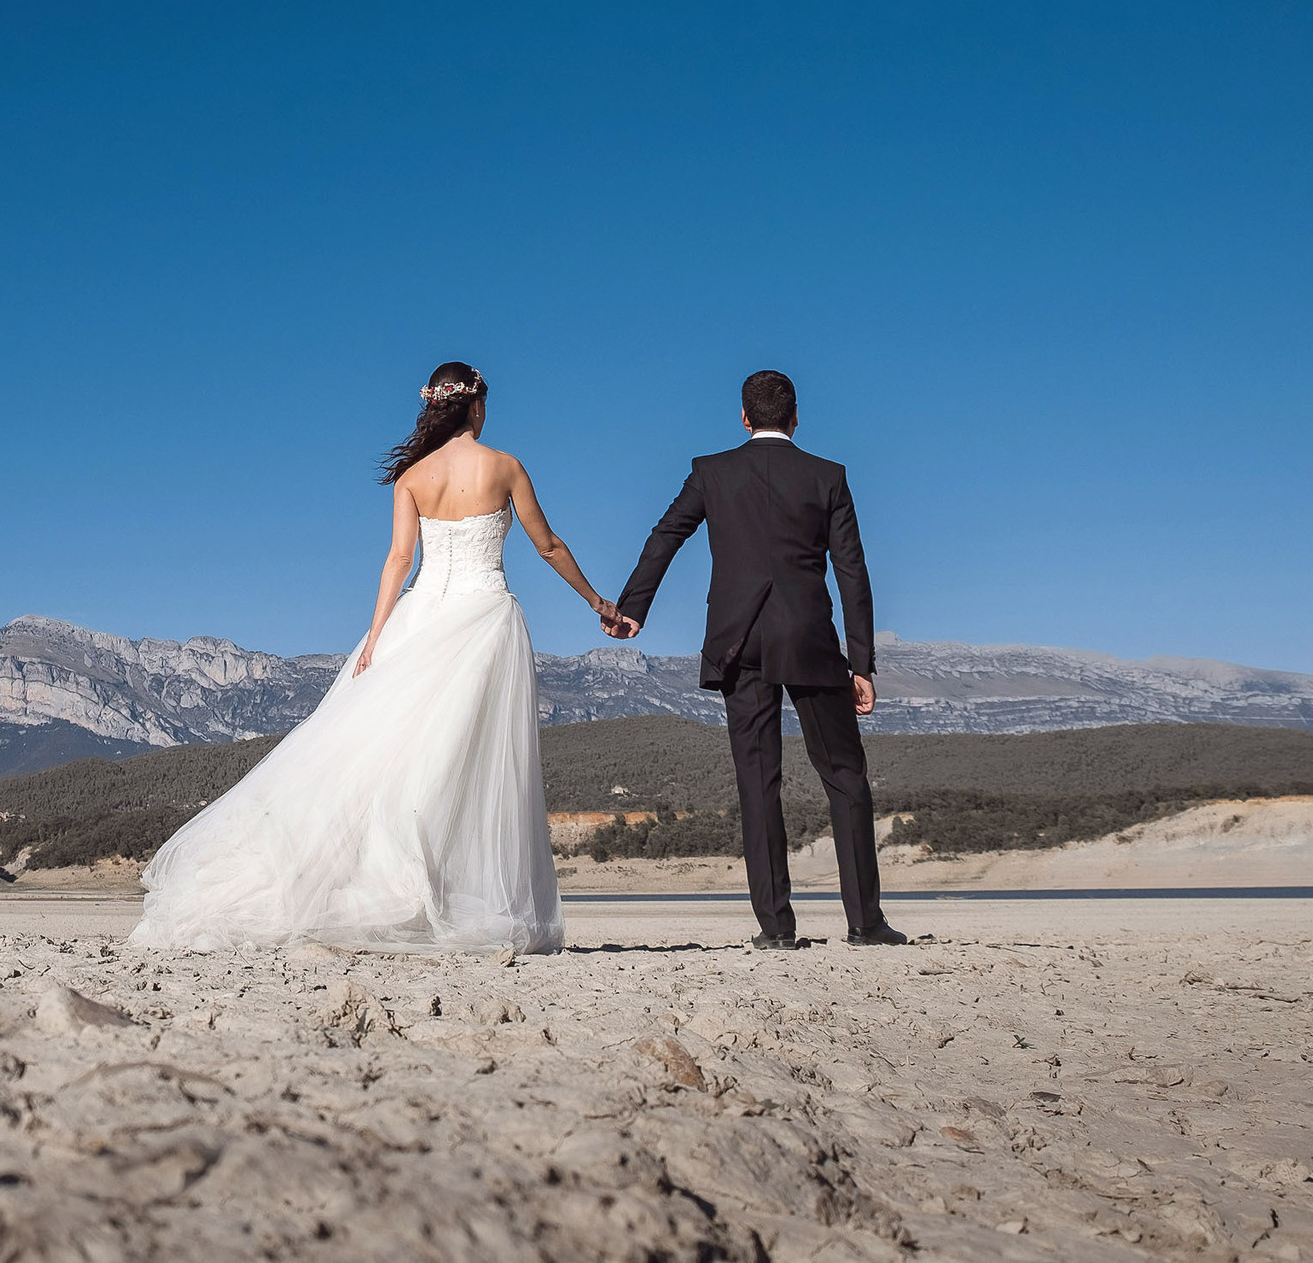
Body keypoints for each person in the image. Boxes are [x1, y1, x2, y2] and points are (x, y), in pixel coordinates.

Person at [129, 361, 628, 953]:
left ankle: (404, 889)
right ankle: (444, 897)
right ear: (475, 406)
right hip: (484, 617)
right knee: (469, 767)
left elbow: (398, 560)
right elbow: (548, 545)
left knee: (399, 758)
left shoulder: (413, 478)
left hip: (421, 617)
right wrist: (598, 601)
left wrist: (375, 637)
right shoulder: (505, 466)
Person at [610, 369, 908, 948]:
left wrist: (634, 608)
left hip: (737, 641)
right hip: (811, 642)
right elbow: (852, 573)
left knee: (758, 780)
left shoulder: (712, 472)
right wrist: (861, 662)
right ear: (795, 417)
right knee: (845, 776)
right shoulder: (828, 477)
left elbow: (665, 535)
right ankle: (865, 923)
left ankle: (776, 929)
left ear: (744, 419)